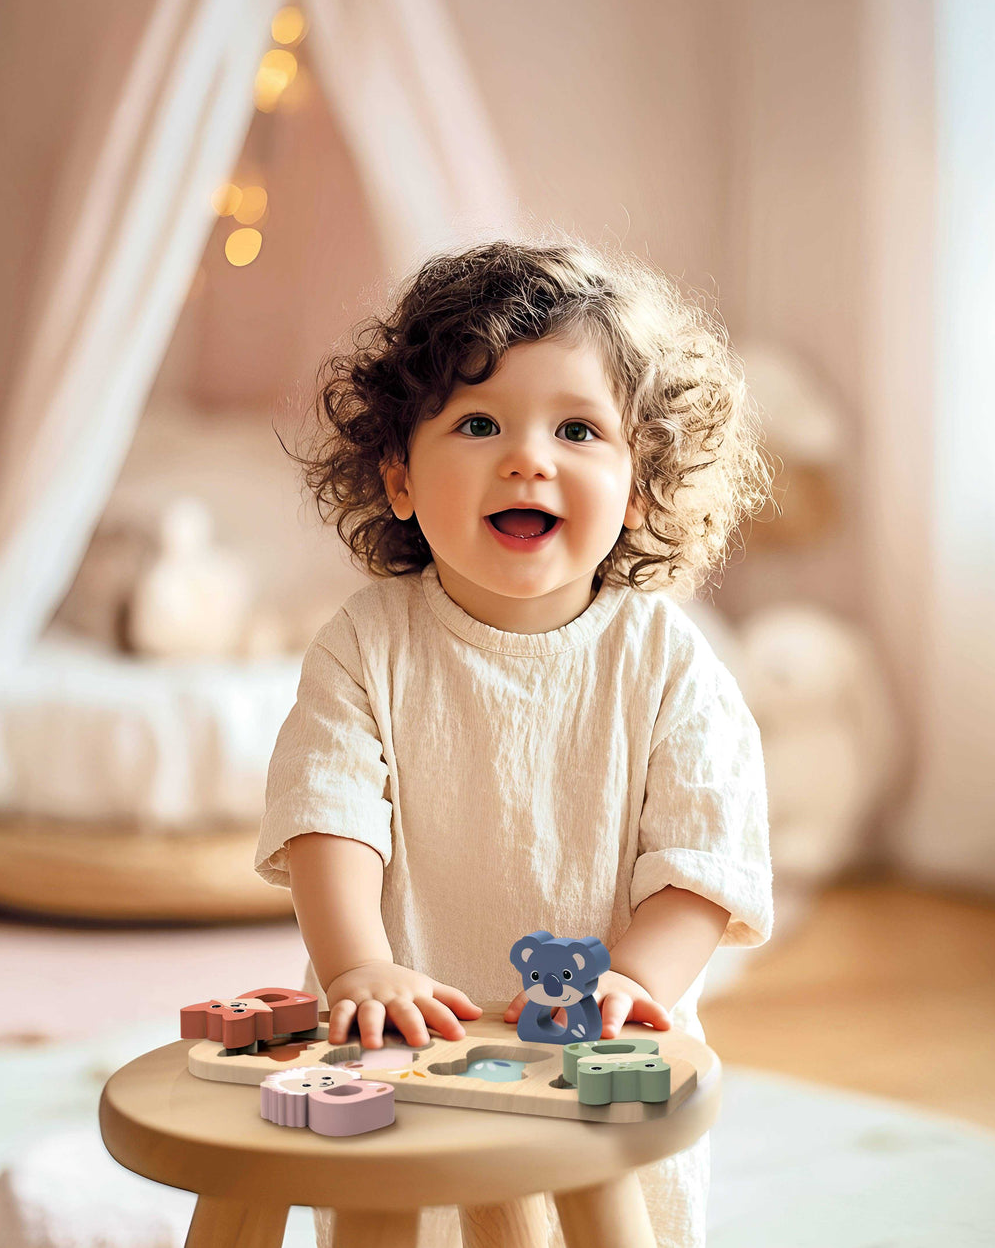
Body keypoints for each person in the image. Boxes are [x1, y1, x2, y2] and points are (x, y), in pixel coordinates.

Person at [255, 233, 775, 1248]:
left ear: (636, 489)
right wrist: (358, 966)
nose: (527, 456)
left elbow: (701, 861)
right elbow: (328, 815)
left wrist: (637, 982)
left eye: (577, 429)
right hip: (411, 1048)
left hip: (598, 1064)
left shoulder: (669, 661)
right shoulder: (368, 644)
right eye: (479, 421)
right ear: (399, 476)